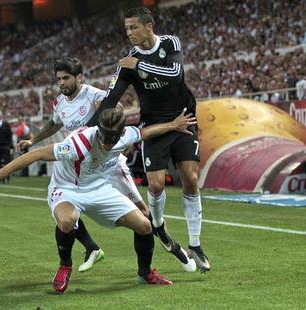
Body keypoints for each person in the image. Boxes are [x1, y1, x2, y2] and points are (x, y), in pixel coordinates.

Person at [0, 108, 197, 293]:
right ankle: (65, 265)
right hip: (67, 188)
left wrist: (173, 125)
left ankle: (145, 273)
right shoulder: (78, 143)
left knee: (144, 225)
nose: (105, 143)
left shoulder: (126, 135)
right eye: (103, 137)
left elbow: (145, 132)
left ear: (121, 133)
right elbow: (36, 154)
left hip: (99, 188)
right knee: (67, 220)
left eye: (112, 139)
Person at [17, 57, 196, 273]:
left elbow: (117, 112)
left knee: (143, 211)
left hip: (110, 163)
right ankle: (91, 247)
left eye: (66, 78)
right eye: (59, 79)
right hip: (80, 166)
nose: (61, 83)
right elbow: (53, 124)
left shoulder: (94, 94)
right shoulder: (59, 103)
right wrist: (32, 141)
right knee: (66, 206)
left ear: (79, 77)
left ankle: (171, 244)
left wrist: (103, 110)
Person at [86, 7, 210, 271]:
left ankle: (196, 245)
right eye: (127, 29)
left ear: (149, 26)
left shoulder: (169, 43)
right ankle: (157, 225)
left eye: (133, 27)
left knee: (191, 178)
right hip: (154, 125)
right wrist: (86, 129)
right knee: (155, 185)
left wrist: (140, 65)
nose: (129, 33)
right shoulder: (127, 63)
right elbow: (110, 100)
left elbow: (176, 74)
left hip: (183, 118)